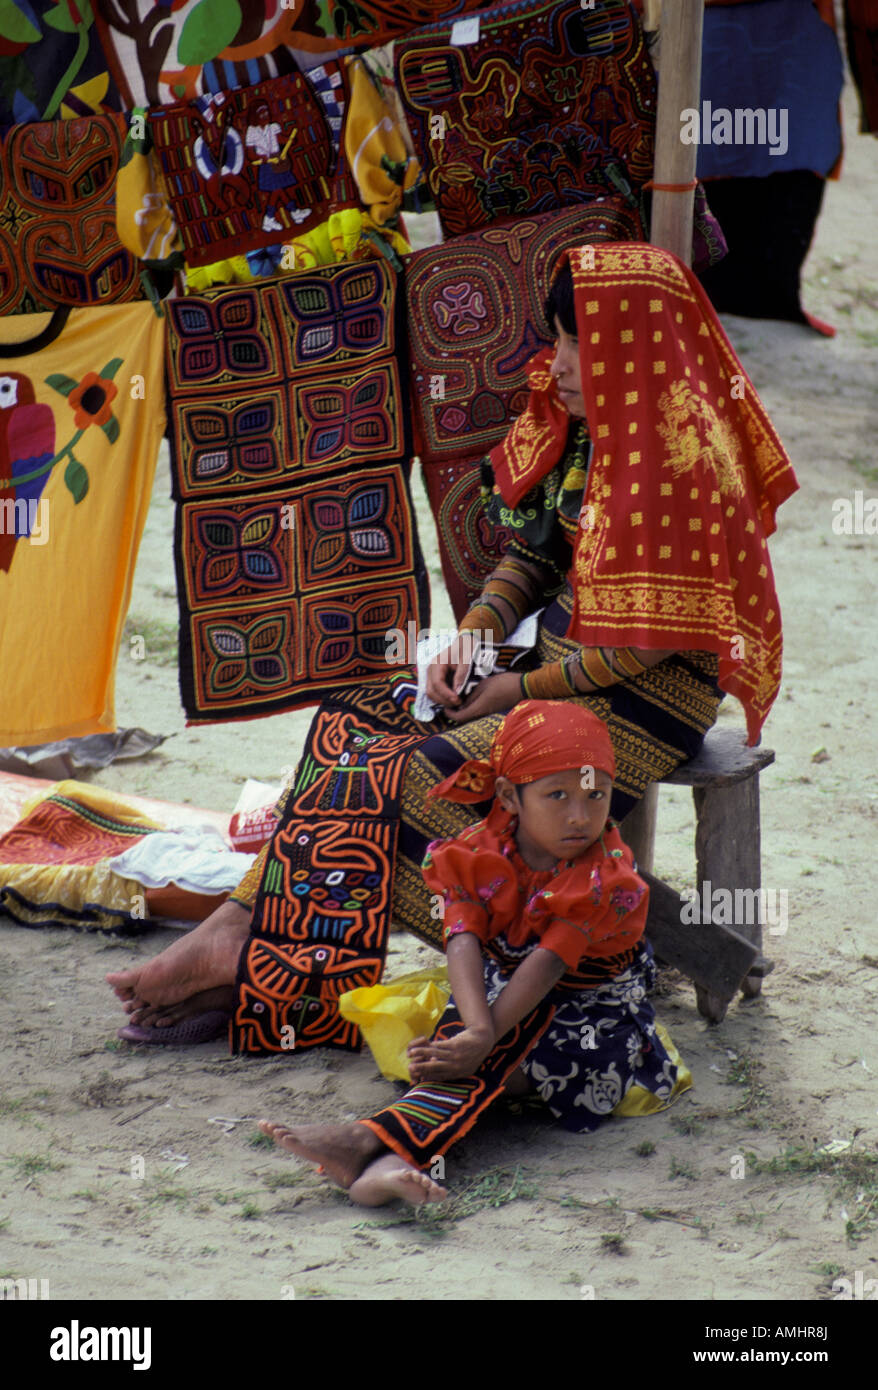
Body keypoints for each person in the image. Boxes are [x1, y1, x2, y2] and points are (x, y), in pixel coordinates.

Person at [107, 241, 797, 1050]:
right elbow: (535, 558)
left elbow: (644, 654)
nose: (561, 362)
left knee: (418, 784)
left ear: (634, 350)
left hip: (641, 702)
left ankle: (280, 964)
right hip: (555, 674)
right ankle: (241, 933)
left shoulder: (678, 458)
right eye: (559, 339)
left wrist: (511, 693)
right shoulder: (581, 432)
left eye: (582, 344)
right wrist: (472, 640)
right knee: (352, 725)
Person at [259, 700, 686, 1206]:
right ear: (509, 796)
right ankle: (386, 1162)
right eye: (557, 795)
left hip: (592, 1014)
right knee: (455, 1053)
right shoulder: (479, 848)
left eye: (597, 795)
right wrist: (477, 1032)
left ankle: (366, 1141)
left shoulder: (603, 874)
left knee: (491, 1063)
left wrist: (483, 1036)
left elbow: (547, 965)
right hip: (506, 989)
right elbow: (462, 937)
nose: (581, 815)